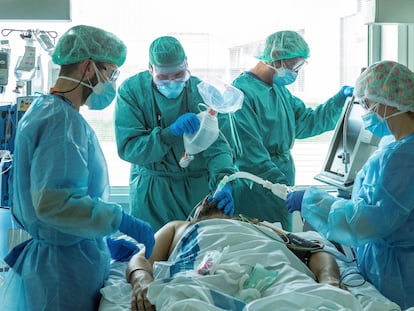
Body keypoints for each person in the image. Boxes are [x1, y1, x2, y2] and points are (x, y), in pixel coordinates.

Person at [0, 25, 155, 311]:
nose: (110, 82)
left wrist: (100, 237)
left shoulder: (47, 110)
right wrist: (118, 219)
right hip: (61, 273)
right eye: (109, 72)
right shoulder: (60, 121)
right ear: (87, 67)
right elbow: (54, 203)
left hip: (63, 259)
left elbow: (59, 203)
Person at [286, 60, 414, 309]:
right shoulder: (392, 145)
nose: (365, 111)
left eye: (367, 103)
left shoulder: (401, 158)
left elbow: (367, 222)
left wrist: (312, 203)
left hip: (399, 273)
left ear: (387, 103)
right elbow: (379, 205)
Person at [219, 30, 354, 231]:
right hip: (256, 187)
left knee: (282, 245)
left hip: (278, 185)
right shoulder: (241, 94)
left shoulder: (279, 90)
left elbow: (308, 122)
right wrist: (282, 186)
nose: (297, 71)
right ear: (275, 57)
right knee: (263, 247)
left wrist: (339, 100)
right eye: (295, 64)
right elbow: (250, 156)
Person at [125, 195, 355, 311]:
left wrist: (329, 279)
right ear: (194, 213)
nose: (210, 199)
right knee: (185, 300)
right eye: (205, 199)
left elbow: (314, 251)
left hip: (271, 268)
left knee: (314, 298)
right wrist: (142, 281)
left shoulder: (257, 225)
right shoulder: (179, 227)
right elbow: (140, 258)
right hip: (201, 274)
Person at [114, 35, 237, 231]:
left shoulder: (202, 92)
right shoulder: (132, 92)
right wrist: (169, 133)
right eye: (162, 77)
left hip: (197, 191)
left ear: (187, 66)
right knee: (154, 253)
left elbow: (219, 147)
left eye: (178, 75)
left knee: (197, 254)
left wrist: (224, 181)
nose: (171, 82)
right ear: (150, 69)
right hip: (153, 194)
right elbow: (130, 148)